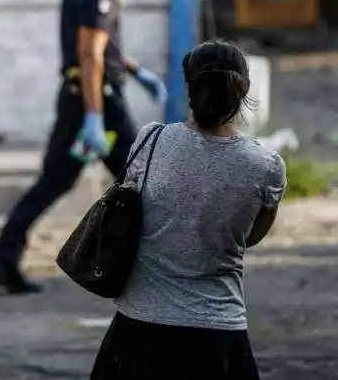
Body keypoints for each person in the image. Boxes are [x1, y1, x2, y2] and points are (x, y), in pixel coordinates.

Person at [0, 0, 168, 294]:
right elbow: (90, 54)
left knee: (55, 180)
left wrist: (134, 70)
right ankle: (151, 263)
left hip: (79, 96)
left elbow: (103, 46)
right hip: (97, 102)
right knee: (141, 178)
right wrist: (94, 115)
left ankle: (5, 257)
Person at [90, 40, 287, 380]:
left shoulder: (151, 141)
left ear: (188, 87)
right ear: (245, 88)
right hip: (218, 334)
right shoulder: (266, 165)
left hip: (138, 329)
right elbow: (250, 236)